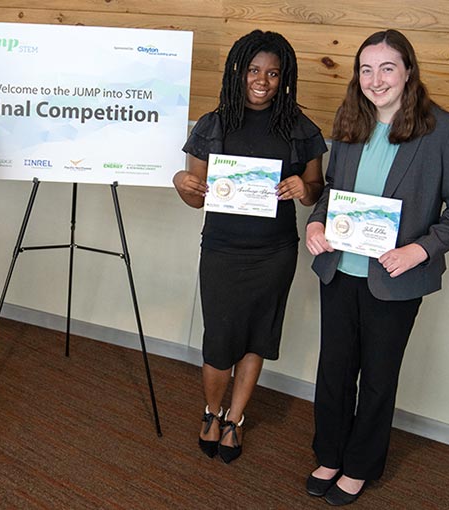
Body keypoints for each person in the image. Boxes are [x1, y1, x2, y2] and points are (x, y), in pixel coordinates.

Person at [304, 29, 449, 505]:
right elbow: (332, 192)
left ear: (408, 71)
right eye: (366, 69)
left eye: (386, 68)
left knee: (379, 377)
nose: (375, 79)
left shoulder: (444, 130)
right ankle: (330, 454)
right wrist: (316, 225)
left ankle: (360, 466)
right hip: (339, 270)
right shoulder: (349, 122)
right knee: (334, 370)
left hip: (395, 278)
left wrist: (418, 251)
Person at [174, 30, 326, 463]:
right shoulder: (213, 124)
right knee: (220, 341)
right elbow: (195, 196)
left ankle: (234, 420)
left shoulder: (300, 128)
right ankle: (211, 410)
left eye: (273, 73)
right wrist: (180, 183)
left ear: (284, 78)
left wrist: (304, 185)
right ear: (238, 72)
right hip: (222, 250)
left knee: (256, 338)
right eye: (254, 70)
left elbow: (316, 191)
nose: (263, 80)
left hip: (275, 252)